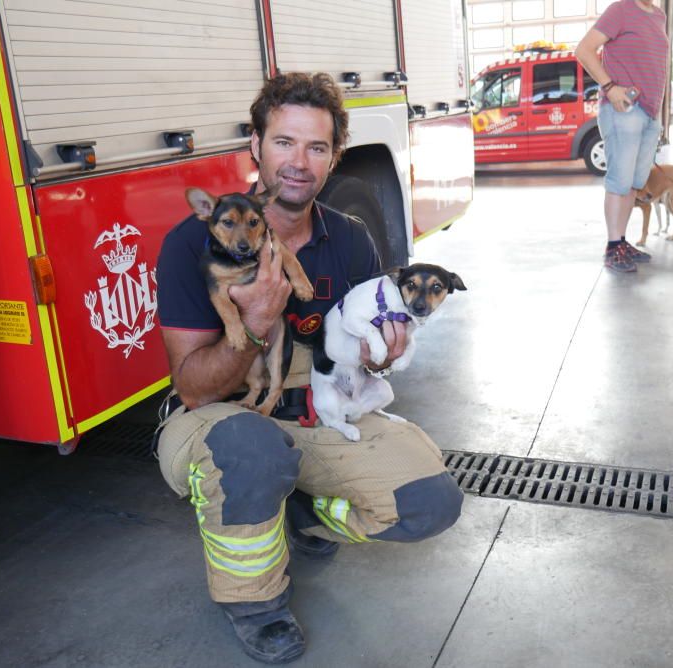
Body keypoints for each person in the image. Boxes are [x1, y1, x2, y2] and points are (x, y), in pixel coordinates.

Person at [153, 72, 463, 665]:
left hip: (319, 401)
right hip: (221, 413)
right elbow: (192, 388)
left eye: (317, 147)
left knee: (431, 502)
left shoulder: (348, 239)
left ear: (334, 156)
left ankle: (306, 511)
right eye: (284, 143)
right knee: (251, 449)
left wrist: (387, 351)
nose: (299, 162)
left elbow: (366, 341)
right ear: (255, 145)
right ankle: (256, 606)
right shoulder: (192, 244)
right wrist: (259, 322)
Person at [576, 0, 669, 273]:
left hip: (650, 114)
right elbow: (584, 50)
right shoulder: (621, 9)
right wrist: (610, 87)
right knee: (619, 181)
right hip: (624, 109)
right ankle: (612, 247)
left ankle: (622, 242)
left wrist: (658, 115)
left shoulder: (659, 16)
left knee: (633, 183)